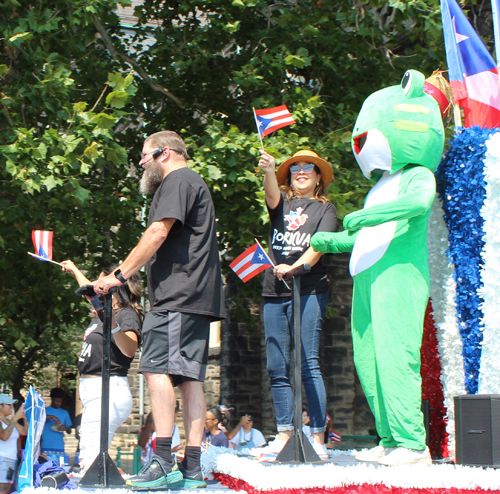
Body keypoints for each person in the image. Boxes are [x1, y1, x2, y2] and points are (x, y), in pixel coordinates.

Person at [91, 131, 225, 488]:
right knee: (188, 378)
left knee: (154, 368)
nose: (141, 163)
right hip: (194, 297)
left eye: (144, 155)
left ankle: (163, 460)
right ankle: (192, 468)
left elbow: (156, 233)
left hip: (178, 296)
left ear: (164, 153)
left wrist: (119, 275)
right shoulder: (191, 182)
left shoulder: (177, 180)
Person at [255, 149, 337, 460]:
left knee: (307, 361)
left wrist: (295, 266)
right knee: (277, 365)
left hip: (309, 289)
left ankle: (317, 436)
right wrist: (269, 170)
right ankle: (284, 433)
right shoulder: (282, 204)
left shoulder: (325, 209)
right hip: (275, 291)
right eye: (295, 168)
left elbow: (318, 246)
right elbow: (271, 195)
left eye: (308, 168)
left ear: (318, 177)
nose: (301, 172)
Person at [61, 260, 143, 472]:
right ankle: (110, 480)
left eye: (101, 281)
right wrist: (74, 269)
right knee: (90, 453)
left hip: (108, 389)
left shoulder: (126, 314)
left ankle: (108, 484)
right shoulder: (102, 312)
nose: (96, 285)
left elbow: (130, 348)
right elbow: (88, 289)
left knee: (91, 457)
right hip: (92, 391)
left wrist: (113, 325)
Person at [0, 395, 27, 494]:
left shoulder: (10, 421)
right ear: (0, 407)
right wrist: (15, 419)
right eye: (8, 405)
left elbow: (24, 432)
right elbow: (4, 436)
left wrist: (25, 418)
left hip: (10, 461)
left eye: (12, 405)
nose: (11, 407)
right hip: (3, 460)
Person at [41, 388, 72, 456]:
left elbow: (69, 431)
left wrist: (65, 428)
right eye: (57, 401)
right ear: (52, 399)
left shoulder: (64, 413)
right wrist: (52, 416)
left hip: (59, 446)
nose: (59, 404)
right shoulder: (44, 411)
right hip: (45, 446)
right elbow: (38, 418)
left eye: (60, 402)